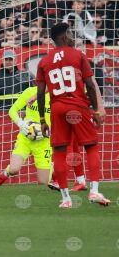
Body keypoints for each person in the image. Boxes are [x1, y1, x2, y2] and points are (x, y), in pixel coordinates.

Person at [36, 23, 110, 208]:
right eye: (69, 33)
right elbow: (90, 85)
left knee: (59, 152)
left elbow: (40, 93)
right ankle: (94, 191)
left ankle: (66, 199)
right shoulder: (78, 55)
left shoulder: (44, 61)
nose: (71, 36)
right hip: (77, 106)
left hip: (57, 108)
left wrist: (42, 119)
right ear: (63, 37)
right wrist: (96, 109)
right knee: (91, 146)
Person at [0, 83, 87, 190]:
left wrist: (50, 130)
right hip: (25, 139)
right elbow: (12, 110)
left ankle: (54, 168)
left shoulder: (58, 97)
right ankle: (5, 173)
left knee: (43, 181)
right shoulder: (30, 92)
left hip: (44, 141)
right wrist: (21, 123)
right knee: (14, 170)